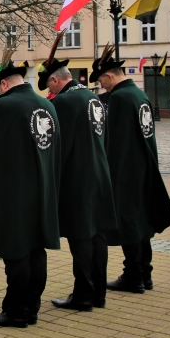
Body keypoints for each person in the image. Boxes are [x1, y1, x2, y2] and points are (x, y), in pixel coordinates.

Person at [0, 57, 60, 328]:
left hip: (15, 191)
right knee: (36, 250)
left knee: (15, 250)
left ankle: (15, 310)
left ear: (3, 83)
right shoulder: (47, 104)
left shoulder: (5, 105)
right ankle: (31, 308)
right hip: (43, 189)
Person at [91, 46, 170, 295]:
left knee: (129, 222)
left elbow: (115, 140)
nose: (103, 87)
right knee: (141, 223)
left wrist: (108, 172)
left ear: (109, 76)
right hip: (144, 166)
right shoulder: (139, 94)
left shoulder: (120, 97)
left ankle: (133, 276)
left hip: (126, 169)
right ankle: (145, 273)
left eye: (102, 81)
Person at [39, 49, 117, 312]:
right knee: (98, 235)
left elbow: (57, 146)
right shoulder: (92, 97)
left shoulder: (64, 102)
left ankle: (83, 295)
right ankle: (99, 294)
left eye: (49, 85)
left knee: (80, 236)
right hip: (99, 174)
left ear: (55, 81)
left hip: (77, 178)